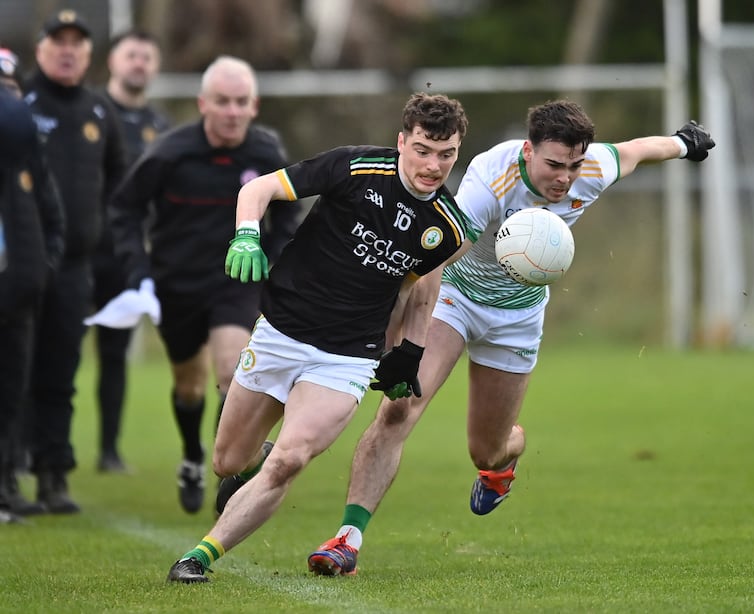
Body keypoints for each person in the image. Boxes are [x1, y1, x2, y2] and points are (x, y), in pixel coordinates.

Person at [307, 100, 716, 576]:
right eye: (553, 165)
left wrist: (685, 144)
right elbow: (435, 261)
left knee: (487, 448)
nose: (565, 177)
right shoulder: (490, 180)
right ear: (528, 151)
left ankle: (502, 465)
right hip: (455, 297)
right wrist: (404, 342)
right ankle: (347, 540)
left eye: (573, 165)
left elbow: (637, 150)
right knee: (399, 408)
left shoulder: (591, 169)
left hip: (518, 318)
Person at [165, 91, 474, 583]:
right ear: (401, 142)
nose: (433, 165)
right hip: (281, 332)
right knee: (227, 461)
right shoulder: (353, 168)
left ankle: (198, 558)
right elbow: (258, 190)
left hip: (345, 358)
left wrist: (408, 354)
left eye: (446, 154)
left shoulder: (449, 227)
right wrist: (246, 234)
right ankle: (254, 461)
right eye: (422, 149)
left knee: (290, 460)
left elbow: (418, 291)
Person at [106, 55, 299, 514]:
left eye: (241, 102)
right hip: (177, 283)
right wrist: (137, 271)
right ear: (202, 104)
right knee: (188, 387)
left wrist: (272, 258)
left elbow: (290, 212)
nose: (232, 111)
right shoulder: (169, 153)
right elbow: (124, 209)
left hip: (236, 283)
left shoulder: (265, 154)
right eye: (222, 102)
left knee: (231, 372)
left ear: (254, 106)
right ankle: (192, 455)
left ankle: (228, 470)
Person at [22, 9, 127, 514]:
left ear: (88, 54)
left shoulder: (99, 111)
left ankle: (52, 474)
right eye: (57, 41)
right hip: (20, 262)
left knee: (62, 371)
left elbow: (119, 183)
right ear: (39, 49)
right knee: (17, 368)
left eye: (76, 43)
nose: (67, 50)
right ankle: (10, 470)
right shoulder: (18, 103)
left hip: (75, 268)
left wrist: (107, 238)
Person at [91, 28, 170, 474]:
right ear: (112, 61)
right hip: (80, 253)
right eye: (131, 55)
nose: (139, 63)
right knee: (50, 353)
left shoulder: (159, 127)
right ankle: (29, 449)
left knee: (113, 354)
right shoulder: (91, 112)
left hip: (125, 259)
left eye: (146, 56)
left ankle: (109, 450)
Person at [0, 55, 65, 523]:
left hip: (18, 292)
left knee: (11, 393)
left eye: (8, 84)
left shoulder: (25, 150)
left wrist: (42, 266)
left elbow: (51, 214)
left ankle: (5, 483)